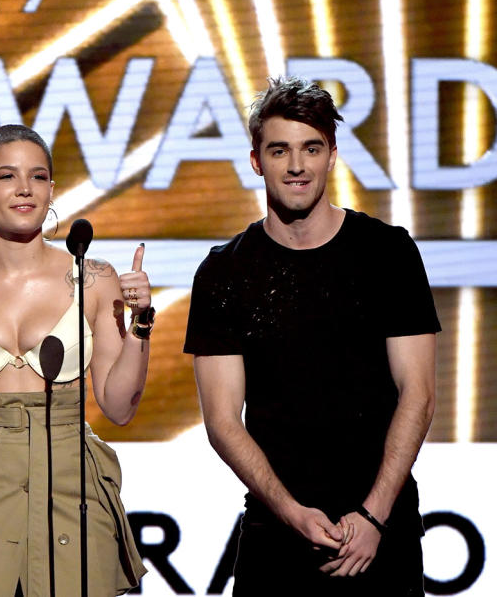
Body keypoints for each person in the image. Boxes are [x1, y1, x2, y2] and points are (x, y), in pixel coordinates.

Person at [184, 76, 439, 596]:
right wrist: (291, 513)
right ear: (256, 160)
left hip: (382, 530)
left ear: (332, 156)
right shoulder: (223, 272)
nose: (297, 166)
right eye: (280, 150)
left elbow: (420, 393)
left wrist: (373, 515)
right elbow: (222, 422)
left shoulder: (388, 254)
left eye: (311, 149)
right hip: (274, 535)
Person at [0, 124, 151, 596]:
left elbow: (119, 407)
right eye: (7, 176)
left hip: (69, 488)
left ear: (51, 190)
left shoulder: (95, 279)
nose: (24, 189)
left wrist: (142, 324)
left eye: (38, 177)